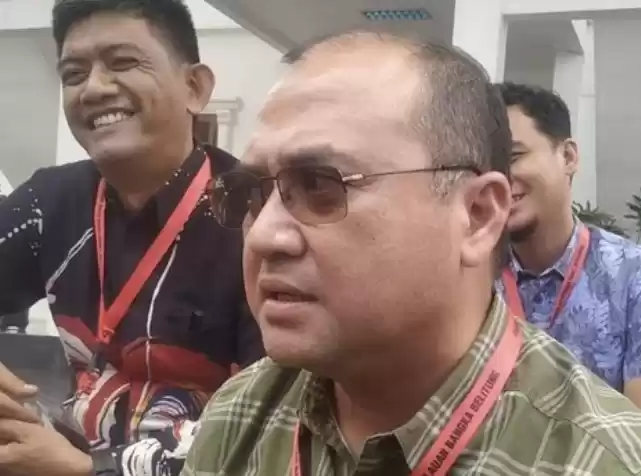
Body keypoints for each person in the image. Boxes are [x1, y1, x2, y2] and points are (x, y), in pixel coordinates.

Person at [180, 31, 641, 476]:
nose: (263, 236)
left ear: (477, 215)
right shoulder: (239, 416)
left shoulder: (598, 462)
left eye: (320, 185)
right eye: (253, 194)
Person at [0, 1, 263, 475]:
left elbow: (271, 432)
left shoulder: (257, 221)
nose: (94, 88)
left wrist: (85, 470)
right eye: (74, 74)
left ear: (195, 87)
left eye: (122, 62)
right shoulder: (48, 203)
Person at [495, 82, 641, 404]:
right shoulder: (469, 277)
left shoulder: (631, 276)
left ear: (568, 156)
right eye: (486, 164)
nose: (498, 178)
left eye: (514, 156)